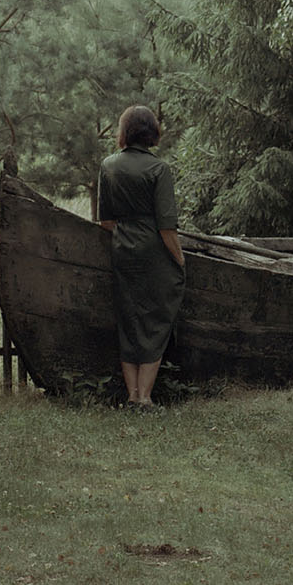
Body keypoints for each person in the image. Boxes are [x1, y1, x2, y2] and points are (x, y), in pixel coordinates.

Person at [97, 104, 185, 409]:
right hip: (153, 251)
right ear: (152, 132)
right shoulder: (159, 169)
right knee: (157, 318)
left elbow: (105, 220)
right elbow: (166, 227)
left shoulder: (108, 165)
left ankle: (132, 395)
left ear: (124, 132)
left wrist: (127, 230)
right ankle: (146, 397)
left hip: (122, 248)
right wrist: (179, 260)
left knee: (128, 318)